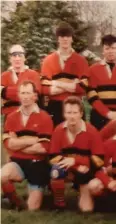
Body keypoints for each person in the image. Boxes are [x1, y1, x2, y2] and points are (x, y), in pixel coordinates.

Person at [1, 81, 53, 211]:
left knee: (32, 208)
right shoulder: (12, 117)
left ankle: (37, 195)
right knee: (2, 176)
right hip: (17, 163)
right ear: (18, 95)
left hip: (37, 165)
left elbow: (43, 148)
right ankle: (16, 203)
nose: (25, 96)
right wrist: (34, 140)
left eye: (28, 93)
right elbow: (9, 144)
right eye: (22, 93)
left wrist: (18, 143)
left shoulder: (44, 117)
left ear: (35, 96)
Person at [48, 96, 104, 212]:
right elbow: (53, 157)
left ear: (81, 113)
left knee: (86, 210)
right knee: (56, 170)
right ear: (64, 114)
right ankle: (59, 203)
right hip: (69, 169)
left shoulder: (92, 132)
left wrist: (76, 161)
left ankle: (88, 193)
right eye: (68, 112)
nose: (72, 116)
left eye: (75, 112)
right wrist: (75, 164)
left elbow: (99, 161)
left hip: (87, 171)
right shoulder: (58, 130)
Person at [40, 22, 89, 126]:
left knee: (77, 140)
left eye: (68, 36)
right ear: (58, 39)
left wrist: (54, 82)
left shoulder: (81, 61)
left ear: (72, 38)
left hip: (76, 106)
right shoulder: (48, 60)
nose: (65, 39)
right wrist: (72, 84)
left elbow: (83, 88)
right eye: (62, 36)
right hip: (55, 107)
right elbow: (45, 89)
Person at [86, 35, 116, 130]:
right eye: (107, 48)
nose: (110, 51)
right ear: (103, 51)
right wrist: (108, 113)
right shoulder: (92, 69)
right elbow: (91, 95)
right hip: (99, 116)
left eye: (113, 48)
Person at [1, 45, 41, 116]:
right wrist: (27, 92)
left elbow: (35, 96)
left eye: (20, 55)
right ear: (10, 59)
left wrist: (5, 91)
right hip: (8, 115)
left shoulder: (34, 74)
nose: (17, 58)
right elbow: (1, 100)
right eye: (14, 56)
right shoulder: (4, 76)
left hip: (29, 114)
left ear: (24, 58)